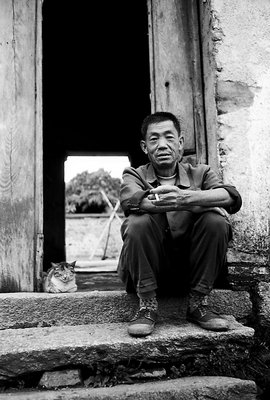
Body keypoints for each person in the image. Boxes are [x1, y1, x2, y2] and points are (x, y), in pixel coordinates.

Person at [117, 111, 242, 337]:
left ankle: (198, 302)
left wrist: (185, 198)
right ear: (145, 147)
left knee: (216, 221)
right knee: (137, 223)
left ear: (181, 142)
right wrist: (202, 201)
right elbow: (134, 202)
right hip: (147, 272)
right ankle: (147, 305)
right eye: (154, 139)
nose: (162, 145)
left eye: (169, 137)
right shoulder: (133, 174)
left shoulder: (202, 173)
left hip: (191, 271)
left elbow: (231, 197)